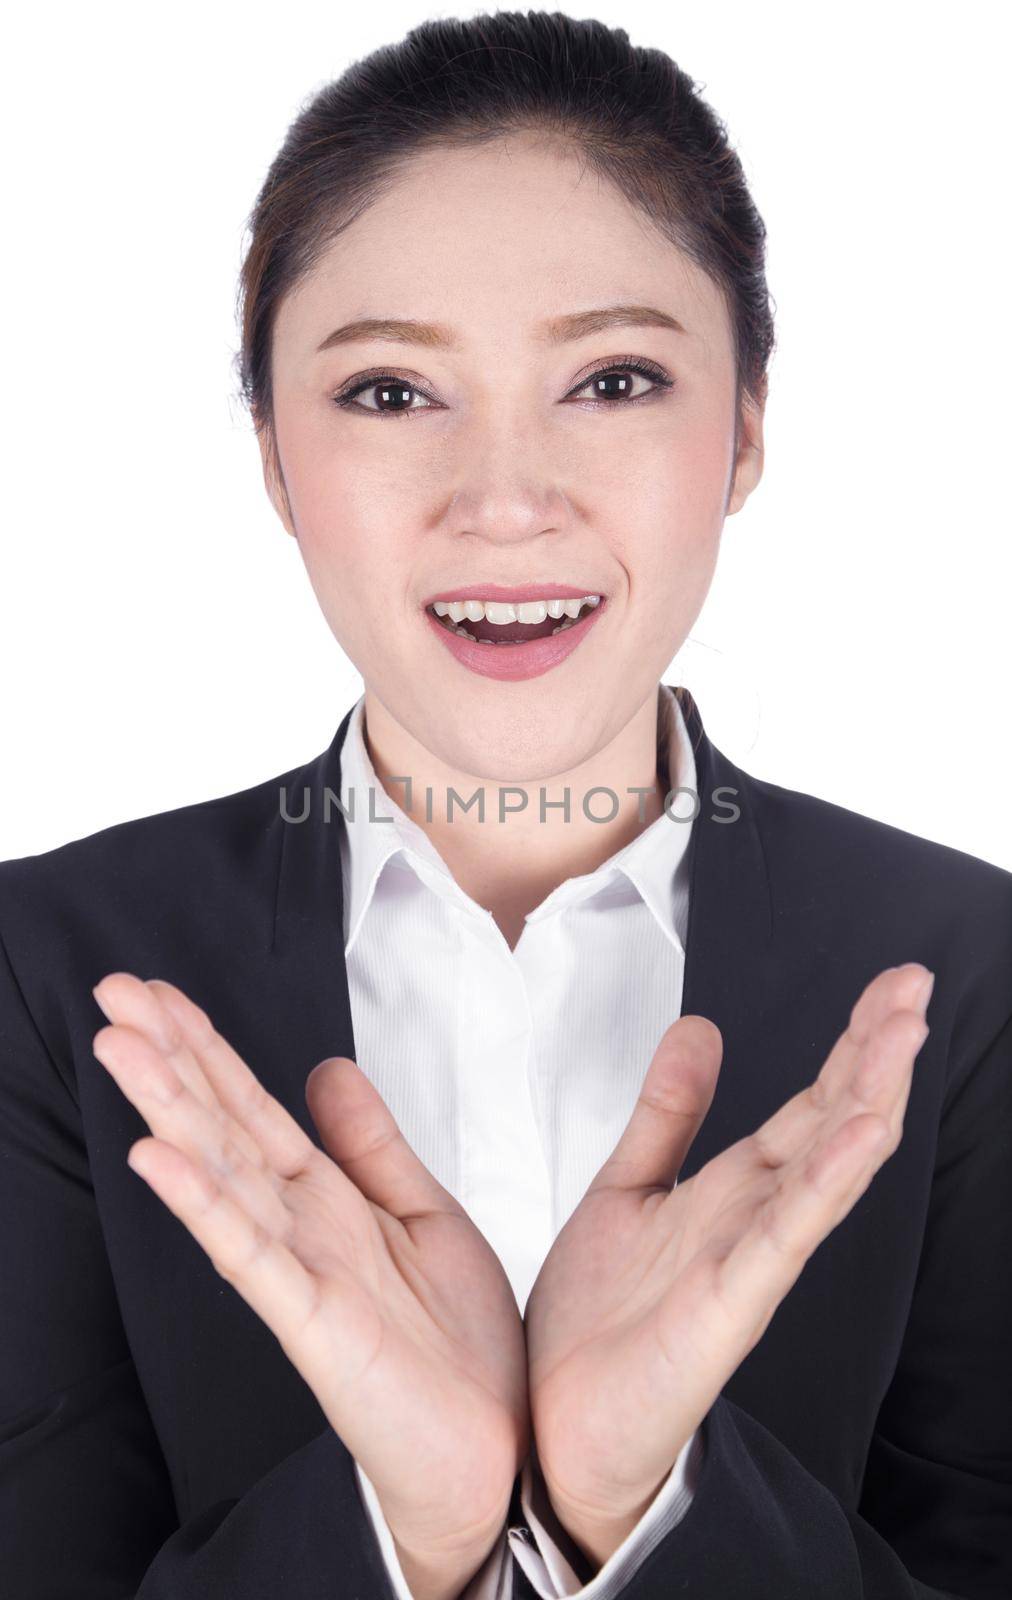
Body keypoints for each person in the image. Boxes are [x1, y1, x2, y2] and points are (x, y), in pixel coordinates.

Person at [1, 11, 1009, 1600]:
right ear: (273, 461)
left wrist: (644, 1503)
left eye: (613, 378)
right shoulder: (45, 972)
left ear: (745, 428)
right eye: (391, 393)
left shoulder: (969, 974)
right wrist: (414, 1526)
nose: (505, 500)